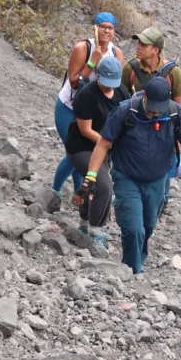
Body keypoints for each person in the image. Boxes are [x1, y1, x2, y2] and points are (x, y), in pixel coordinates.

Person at [78, 76, 181, 274]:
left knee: (147, 227)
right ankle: (132, 270)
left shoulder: (174, 112)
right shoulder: (125, 111)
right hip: (127, 177)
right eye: (152, 107)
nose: (155, 112)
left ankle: (136, 261)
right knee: (133, 228)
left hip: (157, 181)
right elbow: (103, 144)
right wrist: (91, 176)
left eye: (159, 108)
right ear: (144, 95)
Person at [52, 12, 125, 197]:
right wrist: (92, 61)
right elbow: (75, 81)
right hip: (69, 106)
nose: (106, 31)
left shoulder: (116, 53)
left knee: (89, 154)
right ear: (95, 28)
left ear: (114, 31)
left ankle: (80, 194)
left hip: (93, 110)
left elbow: (116, 84)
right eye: (102, 26)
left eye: (110, 28)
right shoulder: (82, 48)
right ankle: (55, 191)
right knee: (74, 153)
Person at [63, 56, 130, 251]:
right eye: (106, 83)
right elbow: (85, 130)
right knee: (104, 186)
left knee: (90, 182)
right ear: (98, 76)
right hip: (82, 147)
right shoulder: (86, 94)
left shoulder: (122, 92)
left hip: (106, 146)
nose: (109, 88)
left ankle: (84, 225)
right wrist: (109, 143)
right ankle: (95, 231)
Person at [121, 27, 181, 209]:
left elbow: (179, 108)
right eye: (138, 43)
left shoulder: (173, 73)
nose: (138, 47)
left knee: (162, 168)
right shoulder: (130, 69)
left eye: (143, 44)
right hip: (136, 129)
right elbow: (120, 98)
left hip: (163, 130)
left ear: (155, 50)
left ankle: (159, 204)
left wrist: (178, 139)